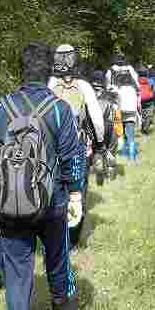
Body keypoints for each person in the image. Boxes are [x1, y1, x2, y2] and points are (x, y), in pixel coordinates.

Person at [0, 43, 84, 310]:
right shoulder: (59, 109)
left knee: (17, 268)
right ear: (49, 73)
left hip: (10, 202)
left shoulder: (2, 108)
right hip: (51, 201)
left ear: (21, 71)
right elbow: (72, 156)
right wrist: (75, 194)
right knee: (57, 256)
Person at [48, 44, 106, 247]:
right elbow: (97, 119)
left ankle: (52, 236)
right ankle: (71, 240)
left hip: (52, 149)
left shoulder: (50, 83)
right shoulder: (83, 86)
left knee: (53, 189)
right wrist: (100, 145)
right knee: (77, 190)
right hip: (76, 149)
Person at [105, 54, 140, 161]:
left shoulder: (110, 70)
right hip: (130, 104)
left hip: (117, 105)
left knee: (118, 130)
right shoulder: (130, 69)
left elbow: (107, 86)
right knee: (130, 131)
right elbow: (137, 84)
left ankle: (122, 151)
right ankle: (131, 154)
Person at [89, 70, 120, 181]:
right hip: (110, 124)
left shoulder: (88, 95)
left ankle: (99, 170)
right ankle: (110, 174)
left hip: (94, 126)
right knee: (111, 148)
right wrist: (119, 130)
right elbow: (117, 112)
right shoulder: (111, 94)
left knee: (97, 148)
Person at [137, 65, 155, 135]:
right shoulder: (150, 80)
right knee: (149, 113)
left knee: (142, 113)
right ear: (146, 73)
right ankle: (146, 127)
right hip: (149, 100)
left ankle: (143, 126)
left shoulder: (136, 81)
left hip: (140, 100)